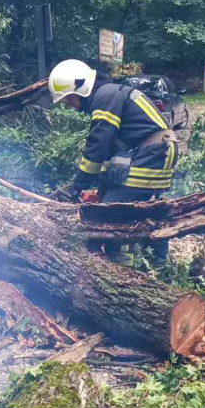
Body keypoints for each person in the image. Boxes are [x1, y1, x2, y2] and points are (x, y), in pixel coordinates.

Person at [48, 59, 178, 266]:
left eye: (69, 99)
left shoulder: (105, 96)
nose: (70, 105)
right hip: (150, 152)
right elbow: (109, 153)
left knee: (111, 212)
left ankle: (122, 273)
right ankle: (158, 263)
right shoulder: (108, 94)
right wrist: (99, 186)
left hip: (153, 153)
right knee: (143, 210)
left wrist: (77, 186)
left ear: (80, 88)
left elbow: (98, 144)